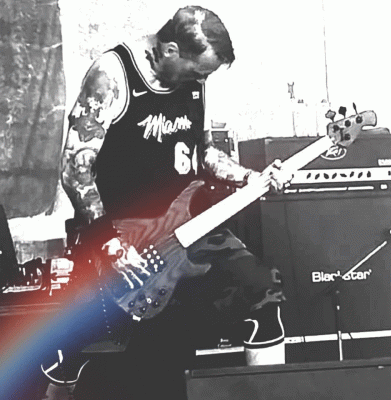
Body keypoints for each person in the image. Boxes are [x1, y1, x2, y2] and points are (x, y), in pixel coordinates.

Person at [40, 6, 291, 400]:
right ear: (171, 49)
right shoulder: (112, 75)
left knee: (263, 289)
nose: (200, 80)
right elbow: (75, 169)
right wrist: (109, 243)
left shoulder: (195, 82)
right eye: (197, 71)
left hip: (186, 226)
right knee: (82, 347)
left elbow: (204, 153)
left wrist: (250, 178)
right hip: (120, 233)